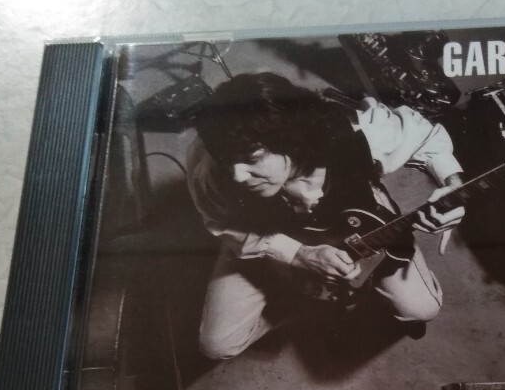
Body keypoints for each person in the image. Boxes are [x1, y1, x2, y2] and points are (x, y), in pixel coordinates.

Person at [187, 72, 465, 360]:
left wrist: (453, 186)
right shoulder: (210, 168)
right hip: (266, 231)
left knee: (421, 309)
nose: (237, 175)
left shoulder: (357, 132)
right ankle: (301, 296)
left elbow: (426, 136)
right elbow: (221, 222)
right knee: (218, 345)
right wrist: (297, 255)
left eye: (251, 159)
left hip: (353, 212)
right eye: (227, 160)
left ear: (290, 141)